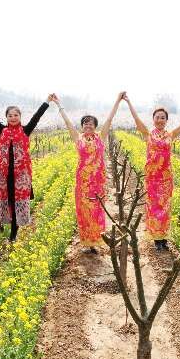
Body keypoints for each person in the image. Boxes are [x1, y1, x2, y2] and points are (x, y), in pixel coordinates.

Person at [124, 95, 180, 251]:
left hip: (166, 178)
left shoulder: (171, 135)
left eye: (163, 118)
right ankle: (156, 238)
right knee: (153, 206)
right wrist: (129, 102)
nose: (160, 120)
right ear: (153, 119)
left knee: (165, 207)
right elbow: (136, 120)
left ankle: (163, 237)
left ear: (166, 120)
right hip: (152, 178)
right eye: (157, 117)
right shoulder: (148, 134)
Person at [51, 92, 124, 253]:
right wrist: (58, 104)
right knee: (84, 211)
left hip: (98, 181)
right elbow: (67, 122)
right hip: (83, 182)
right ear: (82, 126)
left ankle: (96, 240)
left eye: (91, 123)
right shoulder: (78, 138)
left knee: (97, 209)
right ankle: (87, 242)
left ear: (95, 126)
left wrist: (117, 101)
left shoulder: (101, 137)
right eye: (85, 123)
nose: (88, 125)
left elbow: (110, 120)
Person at [0, 94, 53, 241]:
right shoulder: (2, 130)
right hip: (3, 175)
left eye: (16, 115)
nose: (13, 117)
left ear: (20, 116)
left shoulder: (25, 130)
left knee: (15, 202)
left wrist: (47, 101)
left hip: (20, 176)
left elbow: (37, 116)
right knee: (2, 199)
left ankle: (13, 232)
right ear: (6, 117)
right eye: (10, 115)